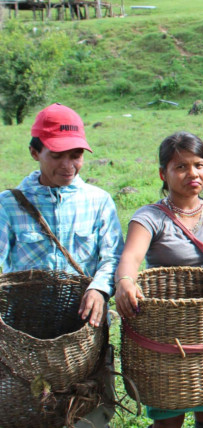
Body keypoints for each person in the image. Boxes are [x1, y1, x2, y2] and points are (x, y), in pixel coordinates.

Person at [0, 103, 123, 427]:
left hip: (82, 332)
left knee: (87, 411)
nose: (69, 165)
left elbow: (112, 257)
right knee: (28, 412)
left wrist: (99, 288)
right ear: (34, 152)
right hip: (26, 337)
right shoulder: (9, 205)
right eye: (57, 155)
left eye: (76, 154)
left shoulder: (98, 202)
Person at [113, 132, 203, 428]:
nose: (192, 174)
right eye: (181, 167)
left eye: (199, 165)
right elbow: (131, 258)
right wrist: (125, 281)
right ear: (164, 173)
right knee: (168, 420)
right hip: (167, 328)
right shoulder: (149, 216)